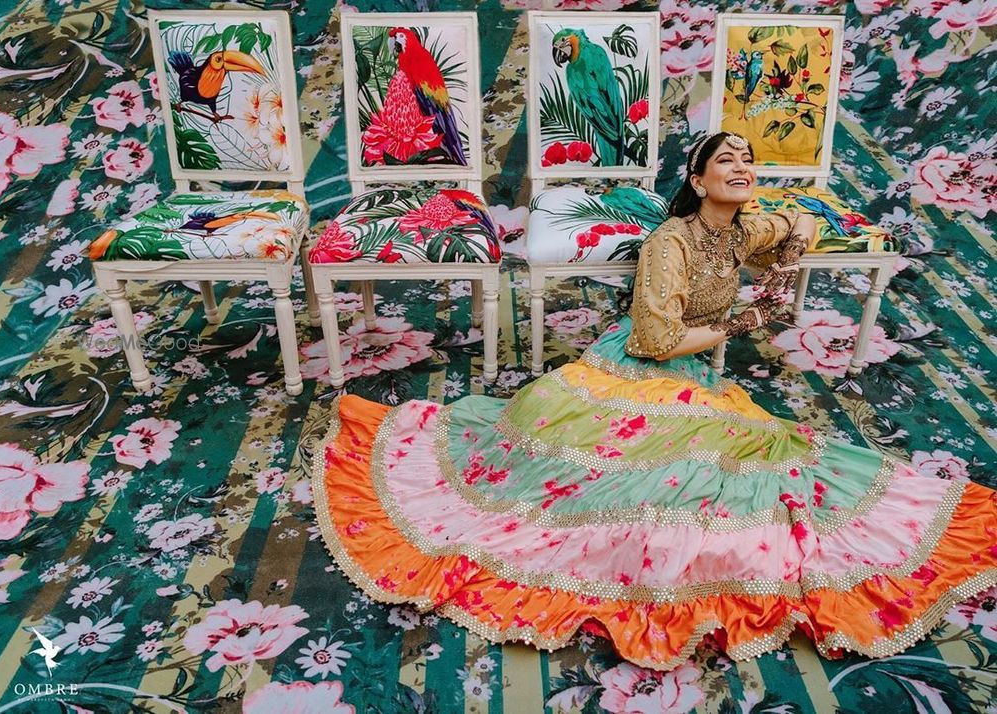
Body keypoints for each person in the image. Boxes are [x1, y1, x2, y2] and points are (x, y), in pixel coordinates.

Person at [311, 132, 997, 671]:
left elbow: (794, 221)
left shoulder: (741, 229)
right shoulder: (672, 242)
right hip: (634, 366)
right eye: (725, 160)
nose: (742, 166)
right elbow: (655, 335)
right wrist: (747, 321)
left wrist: (787, 253)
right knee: (650, 476)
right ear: (697, 182)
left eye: (748, 160)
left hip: (696, 375)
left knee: (755, 465)